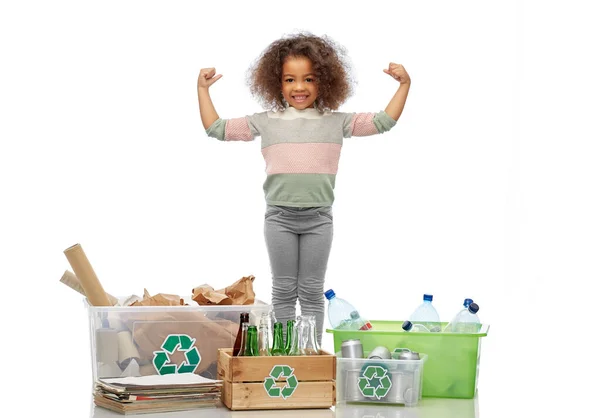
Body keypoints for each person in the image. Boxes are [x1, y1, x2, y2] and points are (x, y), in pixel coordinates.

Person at [197, 33, 410, 345]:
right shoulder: (266, 121)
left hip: (319, 219)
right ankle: (286, 353)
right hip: (279, 219)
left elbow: (382, 122)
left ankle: (309, 354)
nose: (299, 87)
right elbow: (216, 129)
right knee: (283, 291)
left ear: (323, 81)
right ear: (276, 83)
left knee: (311, 291)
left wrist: (404, 85)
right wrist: (202, 90)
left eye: (308, 79)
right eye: (289, 79)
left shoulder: (336, 122)